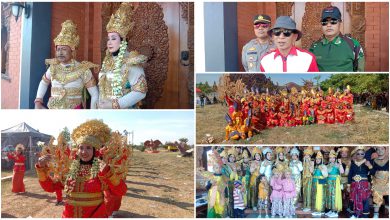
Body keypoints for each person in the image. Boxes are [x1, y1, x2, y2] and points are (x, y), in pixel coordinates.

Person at [35, 120, 127, 217]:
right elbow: (50, 187)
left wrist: (109, 174)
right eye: (81, 148)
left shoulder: (102, 169)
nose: (84, 152)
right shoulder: (69, 168)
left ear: (95, 150)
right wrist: (41, 169)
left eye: (88, 148)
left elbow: (121, 191)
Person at [34, 20, 99, 109]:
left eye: (64, 49)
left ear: (72, 50)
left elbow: (95, 94)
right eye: (58, 49)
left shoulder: (83, 69)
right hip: (54, 113)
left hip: (75, 115)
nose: (60, 52)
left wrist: (92, 114)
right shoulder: (53, 68)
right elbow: (44, 83)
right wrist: (38, 100)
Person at [98, 3, 148, 109]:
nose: (109, 42)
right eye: (108, 39)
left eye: (114, 38)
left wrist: (114, 105)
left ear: (122, 40)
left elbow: (141, 92)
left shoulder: (131, 61)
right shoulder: (107, 61)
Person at [310, 6, 365, 72]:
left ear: (340, 23)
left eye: (333, 21)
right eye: (324, 22)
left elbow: (360, 71)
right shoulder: (314, 47)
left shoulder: (353, 44)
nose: (329, 25)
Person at [348, 146, 372, 218]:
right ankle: (354, 214)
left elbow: (372, 173)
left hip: (363, 184)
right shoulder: (353, 163)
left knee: (364, 199)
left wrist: (370, 166)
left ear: (364, 154)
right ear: (355, 154)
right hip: (354, 184)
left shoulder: (367, 162)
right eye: (358, 154)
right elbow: (350, 175)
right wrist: (348, 185)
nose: (360, 155)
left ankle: (364, 216)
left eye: (362, 154)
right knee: (353, 198)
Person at [371, 146, 389, 218]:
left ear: (385, 150)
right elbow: (371, 172)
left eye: (382, 149)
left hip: (388, 182)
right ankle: (376, 214)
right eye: (378, 149)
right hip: (377, 182)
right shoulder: (373, 161)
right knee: (376, 196)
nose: (380, 150)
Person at [325, 150, 344, 217]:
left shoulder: (338, 165)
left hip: (335, 182)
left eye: (333, 158)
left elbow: (342, 172)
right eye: (330, 158)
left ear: (335, 158)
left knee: (334, 196)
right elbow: (325, 175)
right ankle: (331, 210)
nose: (332, 159)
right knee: (329, 196)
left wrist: (340, 163)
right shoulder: (327, 166)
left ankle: (335, 211)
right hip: (329, 182)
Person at [311, 151, 328, 216]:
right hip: (315, 181)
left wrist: (322, 170)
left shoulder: (323, 166)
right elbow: (312, 173)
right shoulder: (315, 166)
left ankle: (320, 210)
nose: (317, 160)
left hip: (321, 181)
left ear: (321, 160)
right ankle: (316, 209)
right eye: (317, 159)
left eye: (319, 159)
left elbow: (326, 175)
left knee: (321, 195)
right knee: (315, 195)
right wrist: (312, 165)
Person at [302, 147, 313, 212]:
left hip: (309, 178)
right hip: (304, 178)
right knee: (304, 192)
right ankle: (305, 205)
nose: (306, 157)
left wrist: (308, 162)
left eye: (308, 155)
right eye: (305, 155)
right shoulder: (303, 163)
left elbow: (311, 171)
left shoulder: (311, 162)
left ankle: (308, 206)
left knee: (308, 192)